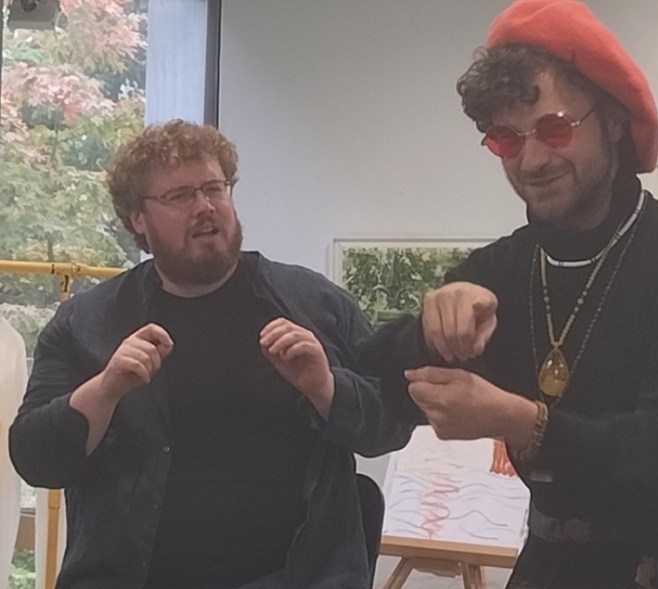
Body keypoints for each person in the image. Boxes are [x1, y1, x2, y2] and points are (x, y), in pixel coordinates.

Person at [359, 1, 658, 587]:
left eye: (554, 129)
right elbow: (382, 385)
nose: (532, 159)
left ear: (611, 119)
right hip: (553, 567)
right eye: (506, 139)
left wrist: (530, 425)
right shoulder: (497, 271)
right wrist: (429, 329)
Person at [9, 120, 412, 589]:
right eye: (179, 196)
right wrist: (106, 389)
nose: (204, 208)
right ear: (137, 219)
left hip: (293, 576)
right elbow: (36, 459)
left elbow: (391, 424)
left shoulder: (315, 304)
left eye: (214, 189)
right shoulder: (88, 322)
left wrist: (326, 387)